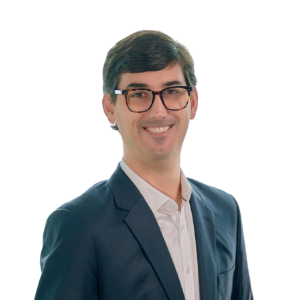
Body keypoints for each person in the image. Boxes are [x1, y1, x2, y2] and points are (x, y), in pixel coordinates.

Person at [34, 30, 253, 300]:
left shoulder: (225, 211)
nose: (159, 111)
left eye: (172, 91)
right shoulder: (79, 226)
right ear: (110, 107)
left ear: (192, 102)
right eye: (138, 94)